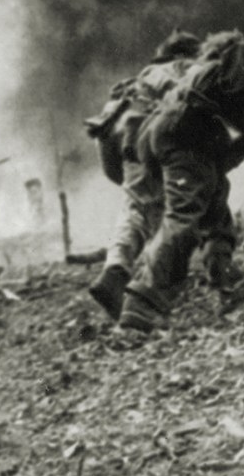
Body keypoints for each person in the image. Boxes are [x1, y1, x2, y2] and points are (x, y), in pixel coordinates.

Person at [118, 30, 244, 333]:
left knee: (215, 198)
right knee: (182, 217)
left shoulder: (200, 74)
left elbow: (219, 120)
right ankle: (141, 302)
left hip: (167, 136)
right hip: (183, 140)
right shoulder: (235, 61)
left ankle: (223, 274)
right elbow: (234, 113)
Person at [85, 30, 201, 319]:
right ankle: (150, 293)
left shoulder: (133, 85)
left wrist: (129, 184)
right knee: (178, 214)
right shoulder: (189, 71)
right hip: (165, 144)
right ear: (186, 55)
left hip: (126, 145)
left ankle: (115, 270)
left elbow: (108, 151)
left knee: (135, 211)